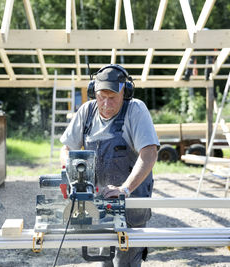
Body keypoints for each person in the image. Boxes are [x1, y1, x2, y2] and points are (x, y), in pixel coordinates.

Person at [60, 64, 159, 267]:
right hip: (101, 203)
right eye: (101, 96)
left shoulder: (135, 110)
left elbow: (149, 154)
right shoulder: (87, 111)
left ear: (126, 92)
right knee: (104, 260)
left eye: (112, 97)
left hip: (131, 201)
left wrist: (125, 189)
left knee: (126, 261)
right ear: (93, 92)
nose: (105, 103)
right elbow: (66, 149)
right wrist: (72, 173)